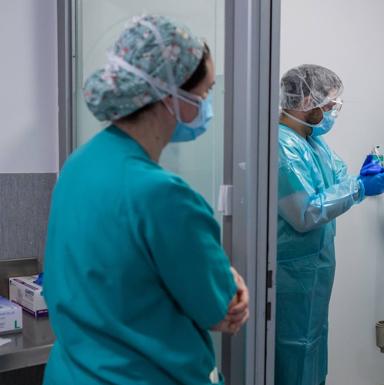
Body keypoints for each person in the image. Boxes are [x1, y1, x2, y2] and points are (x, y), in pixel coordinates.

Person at [43, 15, 248, 385]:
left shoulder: (79, 165)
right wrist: (231, 284)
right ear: (170, 95)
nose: (207, 105)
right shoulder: (164, 196)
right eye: (205, 92)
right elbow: (220, 309)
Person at [276, 64, 384, 385]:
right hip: (291, 272)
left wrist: (363, 176)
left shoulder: (315, 143)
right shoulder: (282, 146)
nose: (332, 113)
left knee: (312, 345)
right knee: (291, 351)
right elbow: (306, 214)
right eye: (328, 105)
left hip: (315, 268)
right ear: (304, 102)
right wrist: (359, 187)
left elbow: (340, 179)